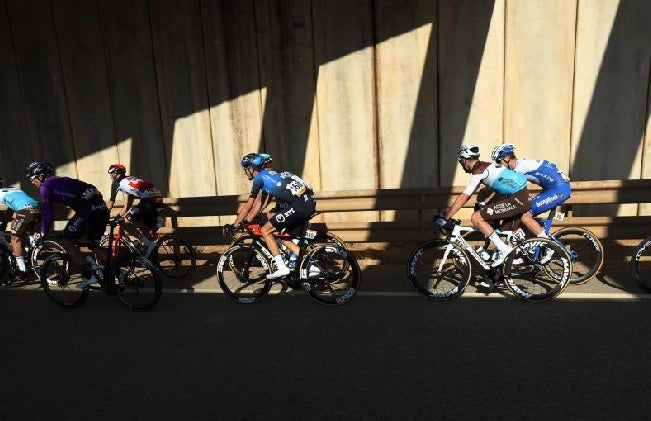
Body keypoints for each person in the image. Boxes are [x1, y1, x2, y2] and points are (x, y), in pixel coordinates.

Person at [436, 144, 534, 267]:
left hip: (518, 199)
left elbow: (464, 197)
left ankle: (505, 251)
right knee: (501, 234)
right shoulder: (487, 166)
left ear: (465, 160)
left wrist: (446, 217)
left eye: (461, 162)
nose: (462, 165)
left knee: (476, 218)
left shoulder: (479, 172)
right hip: (519, 197)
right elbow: (502, 187)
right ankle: (499, 275)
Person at [26, 161, 110, 289]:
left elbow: (48, 213)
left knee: (67, 241)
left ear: (40, 176)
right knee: (93, 244)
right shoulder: (61, 180)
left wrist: (43, 233)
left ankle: (89, 275)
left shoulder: (45, 187)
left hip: (88, 209)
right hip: (101, 207)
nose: (32, 183)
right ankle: (116, 272)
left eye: (32, 179)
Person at [233, 153, 316, 279]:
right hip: (307, 201)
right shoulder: (272, 174)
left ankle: (282, 267)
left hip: (299, 205)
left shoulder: (259, 178)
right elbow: (262, 203)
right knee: (283, 236)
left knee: (265, 230)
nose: (245, 172)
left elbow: (249, 205)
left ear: (251, 168)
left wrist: (236, 224)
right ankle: (313, 266)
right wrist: (248, 219)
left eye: (246, 169)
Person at [491, 143, 571, 237]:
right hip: (553, 188)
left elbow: (505, 188)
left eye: (498, 161)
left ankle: (545, 243)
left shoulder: (520, 167)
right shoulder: (521, 164)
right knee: (520, 216)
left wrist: (490, 202)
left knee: (525, 216)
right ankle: (533, 244)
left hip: (559, 190)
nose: (498, 165)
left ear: (507, 158)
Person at [106, 164, 163, 256]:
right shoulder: (131, 179)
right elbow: (128, 204)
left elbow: (110, 203)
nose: (110, 177)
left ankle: (149, 245)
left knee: (124, 223)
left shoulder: (116, 183)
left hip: (148, 202)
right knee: (143, 228)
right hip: (158, 200)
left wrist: (104, 216)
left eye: (111, 174)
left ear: (115, 173)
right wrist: (118, 216)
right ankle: (151, 256)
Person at [0, 177, 41, 281]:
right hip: (37, 208)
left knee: (14, 239)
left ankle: (22, 271)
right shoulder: (11, 189)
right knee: (16, 225)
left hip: (25, 211)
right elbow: (11, 209)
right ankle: (30, 248)